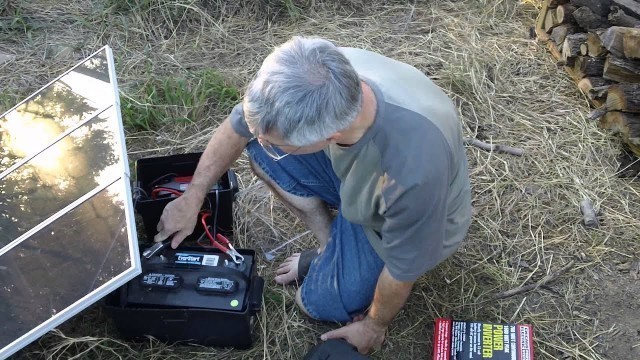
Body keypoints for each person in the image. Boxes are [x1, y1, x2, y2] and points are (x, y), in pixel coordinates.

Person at [154, 36, 472, 354]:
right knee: (257, 154)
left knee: (314, 305)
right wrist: (193, 196)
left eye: (278, 145)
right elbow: (240, 127)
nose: (267, 145)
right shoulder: (316, 73)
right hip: (362, 184)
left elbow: (404, 268)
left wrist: (374, 325)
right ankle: (330, 247)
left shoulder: (412, 170)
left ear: (329, 137)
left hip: (398, 225)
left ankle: (339, 258)